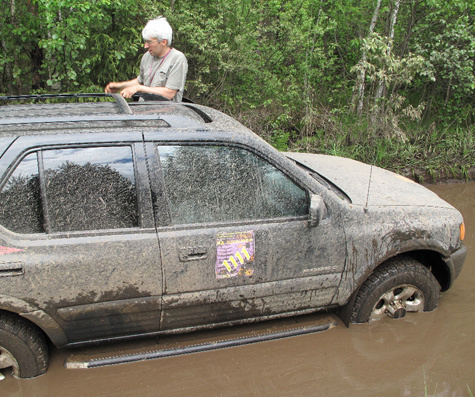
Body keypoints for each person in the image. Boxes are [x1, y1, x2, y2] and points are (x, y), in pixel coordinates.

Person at [105, 17, 188, 102]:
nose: (145, 46)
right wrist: (119, 86)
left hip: (165, 114)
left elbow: (169, 93)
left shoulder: (177, 59)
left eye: (149, 42)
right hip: (143, 111)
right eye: (145, 42)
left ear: (163, 42)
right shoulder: (146, 56)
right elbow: (140, 81)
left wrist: (139, 88)